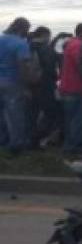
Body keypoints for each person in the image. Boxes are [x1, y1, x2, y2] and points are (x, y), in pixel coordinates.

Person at [0, 17, 33, 155]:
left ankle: (2, 143)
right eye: (27, 29)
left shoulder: (1, 40)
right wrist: (26, 87)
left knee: (1, 115)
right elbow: (22, 66)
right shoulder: (21, 44)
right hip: (13, 83)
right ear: (22, 28)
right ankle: (16, 146)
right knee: (15, 116)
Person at [60, 23, 82, 155]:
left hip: (67, 86)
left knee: (70, 119)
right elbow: (79, 63)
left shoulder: (70, 44)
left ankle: (69, 144)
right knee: (78, 119)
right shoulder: (78, 45)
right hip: (77, 87)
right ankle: (73, 146)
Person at [27, 26, 60, 148]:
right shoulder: (46, 49)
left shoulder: (26, 46)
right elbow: (50, 68)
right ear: (45, 35)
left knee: (32, 114)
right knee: (51, 113)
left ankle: (30, 140)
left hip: (30, 85)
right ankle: (39, 138)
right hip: (45, 85)